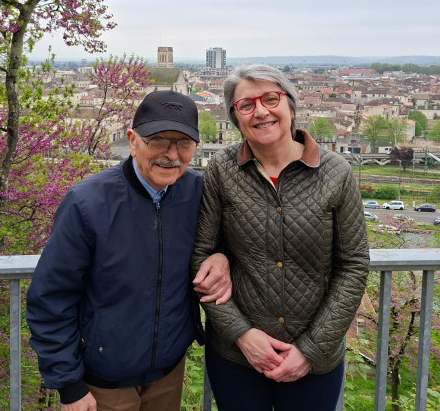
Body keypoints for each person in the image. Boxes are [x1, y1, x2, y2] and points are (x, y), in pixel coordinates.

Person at [27, 90, 231, 411]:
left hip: (169, 372)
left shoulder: (197, 192)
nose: (171, 154)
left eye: (184, 143)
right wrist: (69, 385)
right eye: (158, 140)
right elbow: (51, 297)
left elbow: (227, 241)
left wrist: (221, 255)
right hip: (103, 380)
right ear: (133, 141)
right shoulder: (87, 203)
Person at [191, 65, 370, 411]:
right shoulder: (221, 170)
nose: (260, 111)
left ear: (290, 105)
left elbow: (353, 264)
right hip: (237, 357)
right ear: (235, 118)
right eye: (246, 105)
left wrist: (311, 349)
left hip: (314, 360)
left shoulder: (336, 173)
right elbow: (201, 257)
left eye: (270, 99)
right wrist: (242, 334)